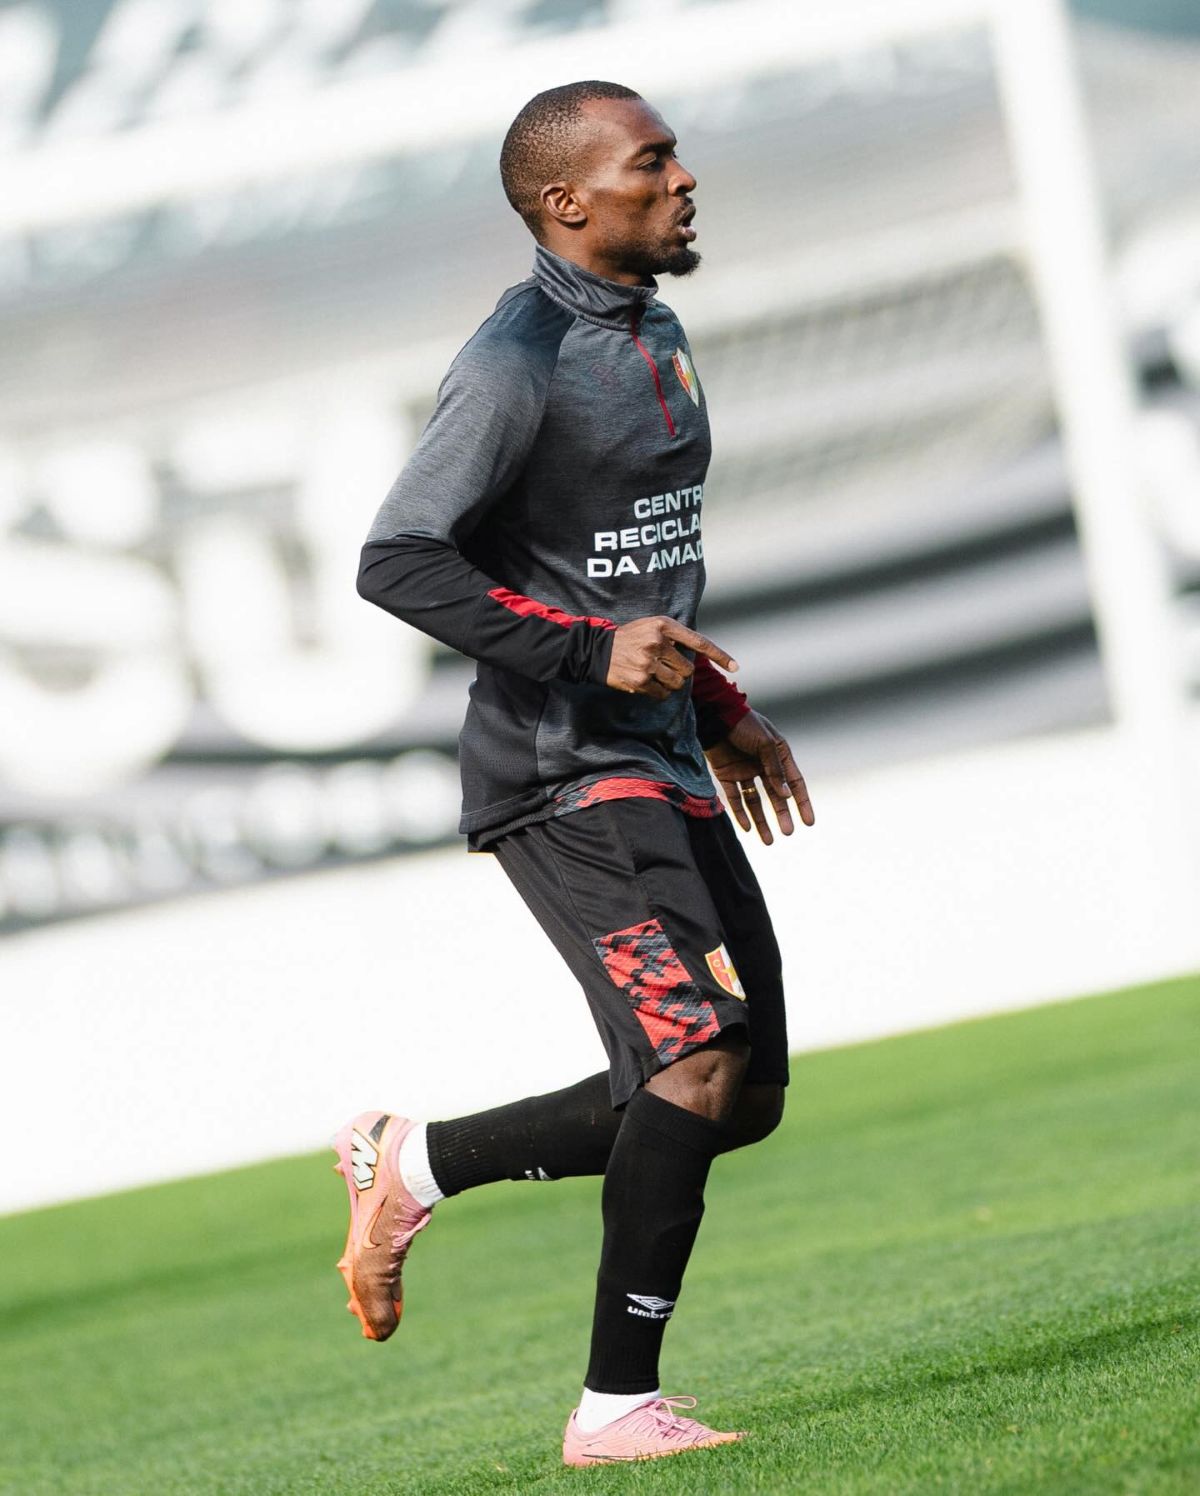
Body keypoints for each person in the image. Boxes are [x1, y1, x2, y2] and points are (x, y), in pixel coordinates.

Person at [334, 79, 814, 1468]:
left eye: (674, 157)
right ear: (566, 202)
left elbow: (638, 565)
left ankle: (416, 1163)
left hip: (656, 755)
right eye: (649, 163)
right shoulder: (516, 358)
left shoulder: (653, 329)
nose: (682, 179)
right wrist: (597, 657)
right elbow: (397, 559)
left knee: (744, 1097)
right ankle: (614, 1410)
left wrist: (720, 707)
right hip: (562, 774)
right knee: (698, 1060)